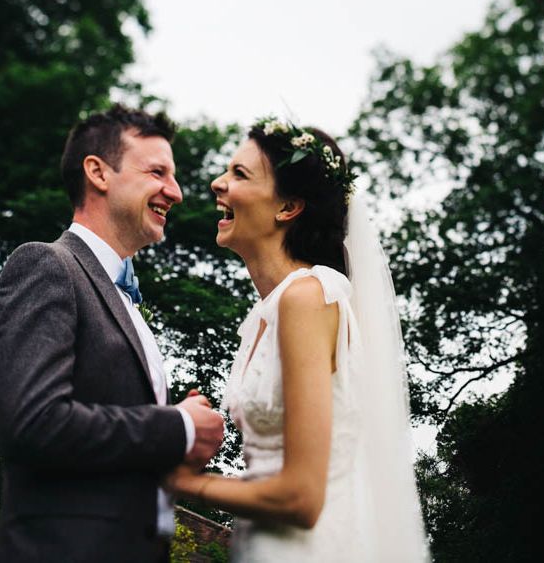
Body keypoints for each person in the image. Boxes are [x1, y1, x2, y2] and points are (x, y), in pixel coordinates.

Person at [164, 118, 429, 561]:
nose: (217, 183)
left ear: (287, 208)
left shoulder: (309, 296)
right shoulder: (262, 315)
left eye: (239, 174)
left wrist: (183, 483)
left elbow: (302, 499)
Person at [0, 105, 225, 563]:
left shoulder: (125, 298)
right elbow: (33, 424)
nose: (174, 192)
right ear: (98, 172)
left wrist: (178, 444)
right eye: (158, 171)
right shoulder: (47, 265)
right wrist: (177, 425)